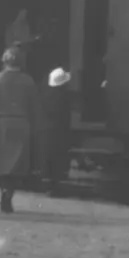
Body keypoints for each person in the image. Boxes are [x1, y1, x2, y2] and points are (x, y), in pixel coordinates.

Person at [0, 46, 42, 214]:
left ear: (4, 61)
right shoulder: (28, 81)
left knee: (1, 162)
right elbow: (35, 106)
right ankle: (9, 193)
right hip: (21, 124)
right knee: (17, 164)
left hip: (1, 123)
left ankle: (4, 190)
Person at [39, 66, 73, 196]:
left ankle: (47, 186)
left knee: (46, 158)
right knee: (57, 158)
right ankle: (54, 186)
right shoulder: (61, 96)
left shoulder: (45, 94)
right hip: (58, 130)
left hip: (45, 129)